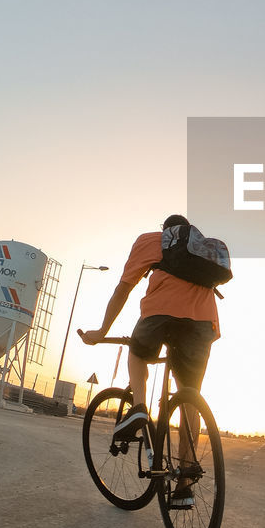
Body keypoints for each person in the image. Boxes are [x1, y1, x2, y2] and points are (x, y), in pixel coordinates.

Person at [79, 213, 221, 505]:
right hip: (203, 324)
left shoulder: (151, 240)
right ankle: (184, 484)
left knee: (137, 351)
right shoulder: (201, 252)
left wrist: (101, 330)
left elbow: (124, 288)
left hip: (161, 313)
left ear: (166, 231)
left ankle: (140, 407)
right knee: (189, 396)